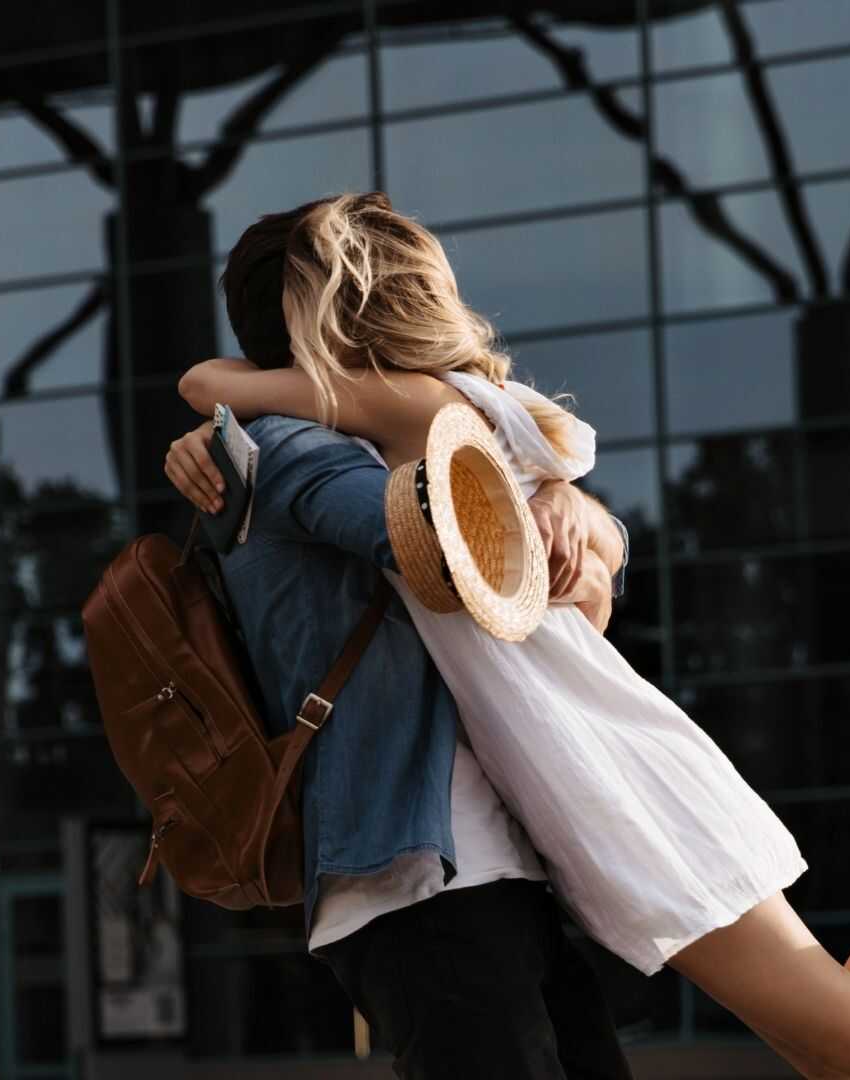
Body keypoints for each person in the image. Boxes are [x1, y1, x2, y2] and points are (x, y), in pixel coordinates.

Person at [166, 192, 850, 1080]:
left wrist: (222, 403)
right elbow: (569, 578)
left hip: (602, 775)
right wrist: (581, 521)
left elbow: (258, 410)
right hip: (608, 754)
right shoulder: (487, 419)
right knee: (829, 1028)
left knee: (828, 1023)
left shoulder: (404, 419)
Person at [173, 196, 638, 1079]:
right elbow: (433, 542)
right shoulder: (294, 450)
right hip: (416, 877)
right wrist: (532, 489)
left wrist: (578, 511)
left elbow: (546, 590)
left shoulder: (330, 438)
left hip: (492, 866)